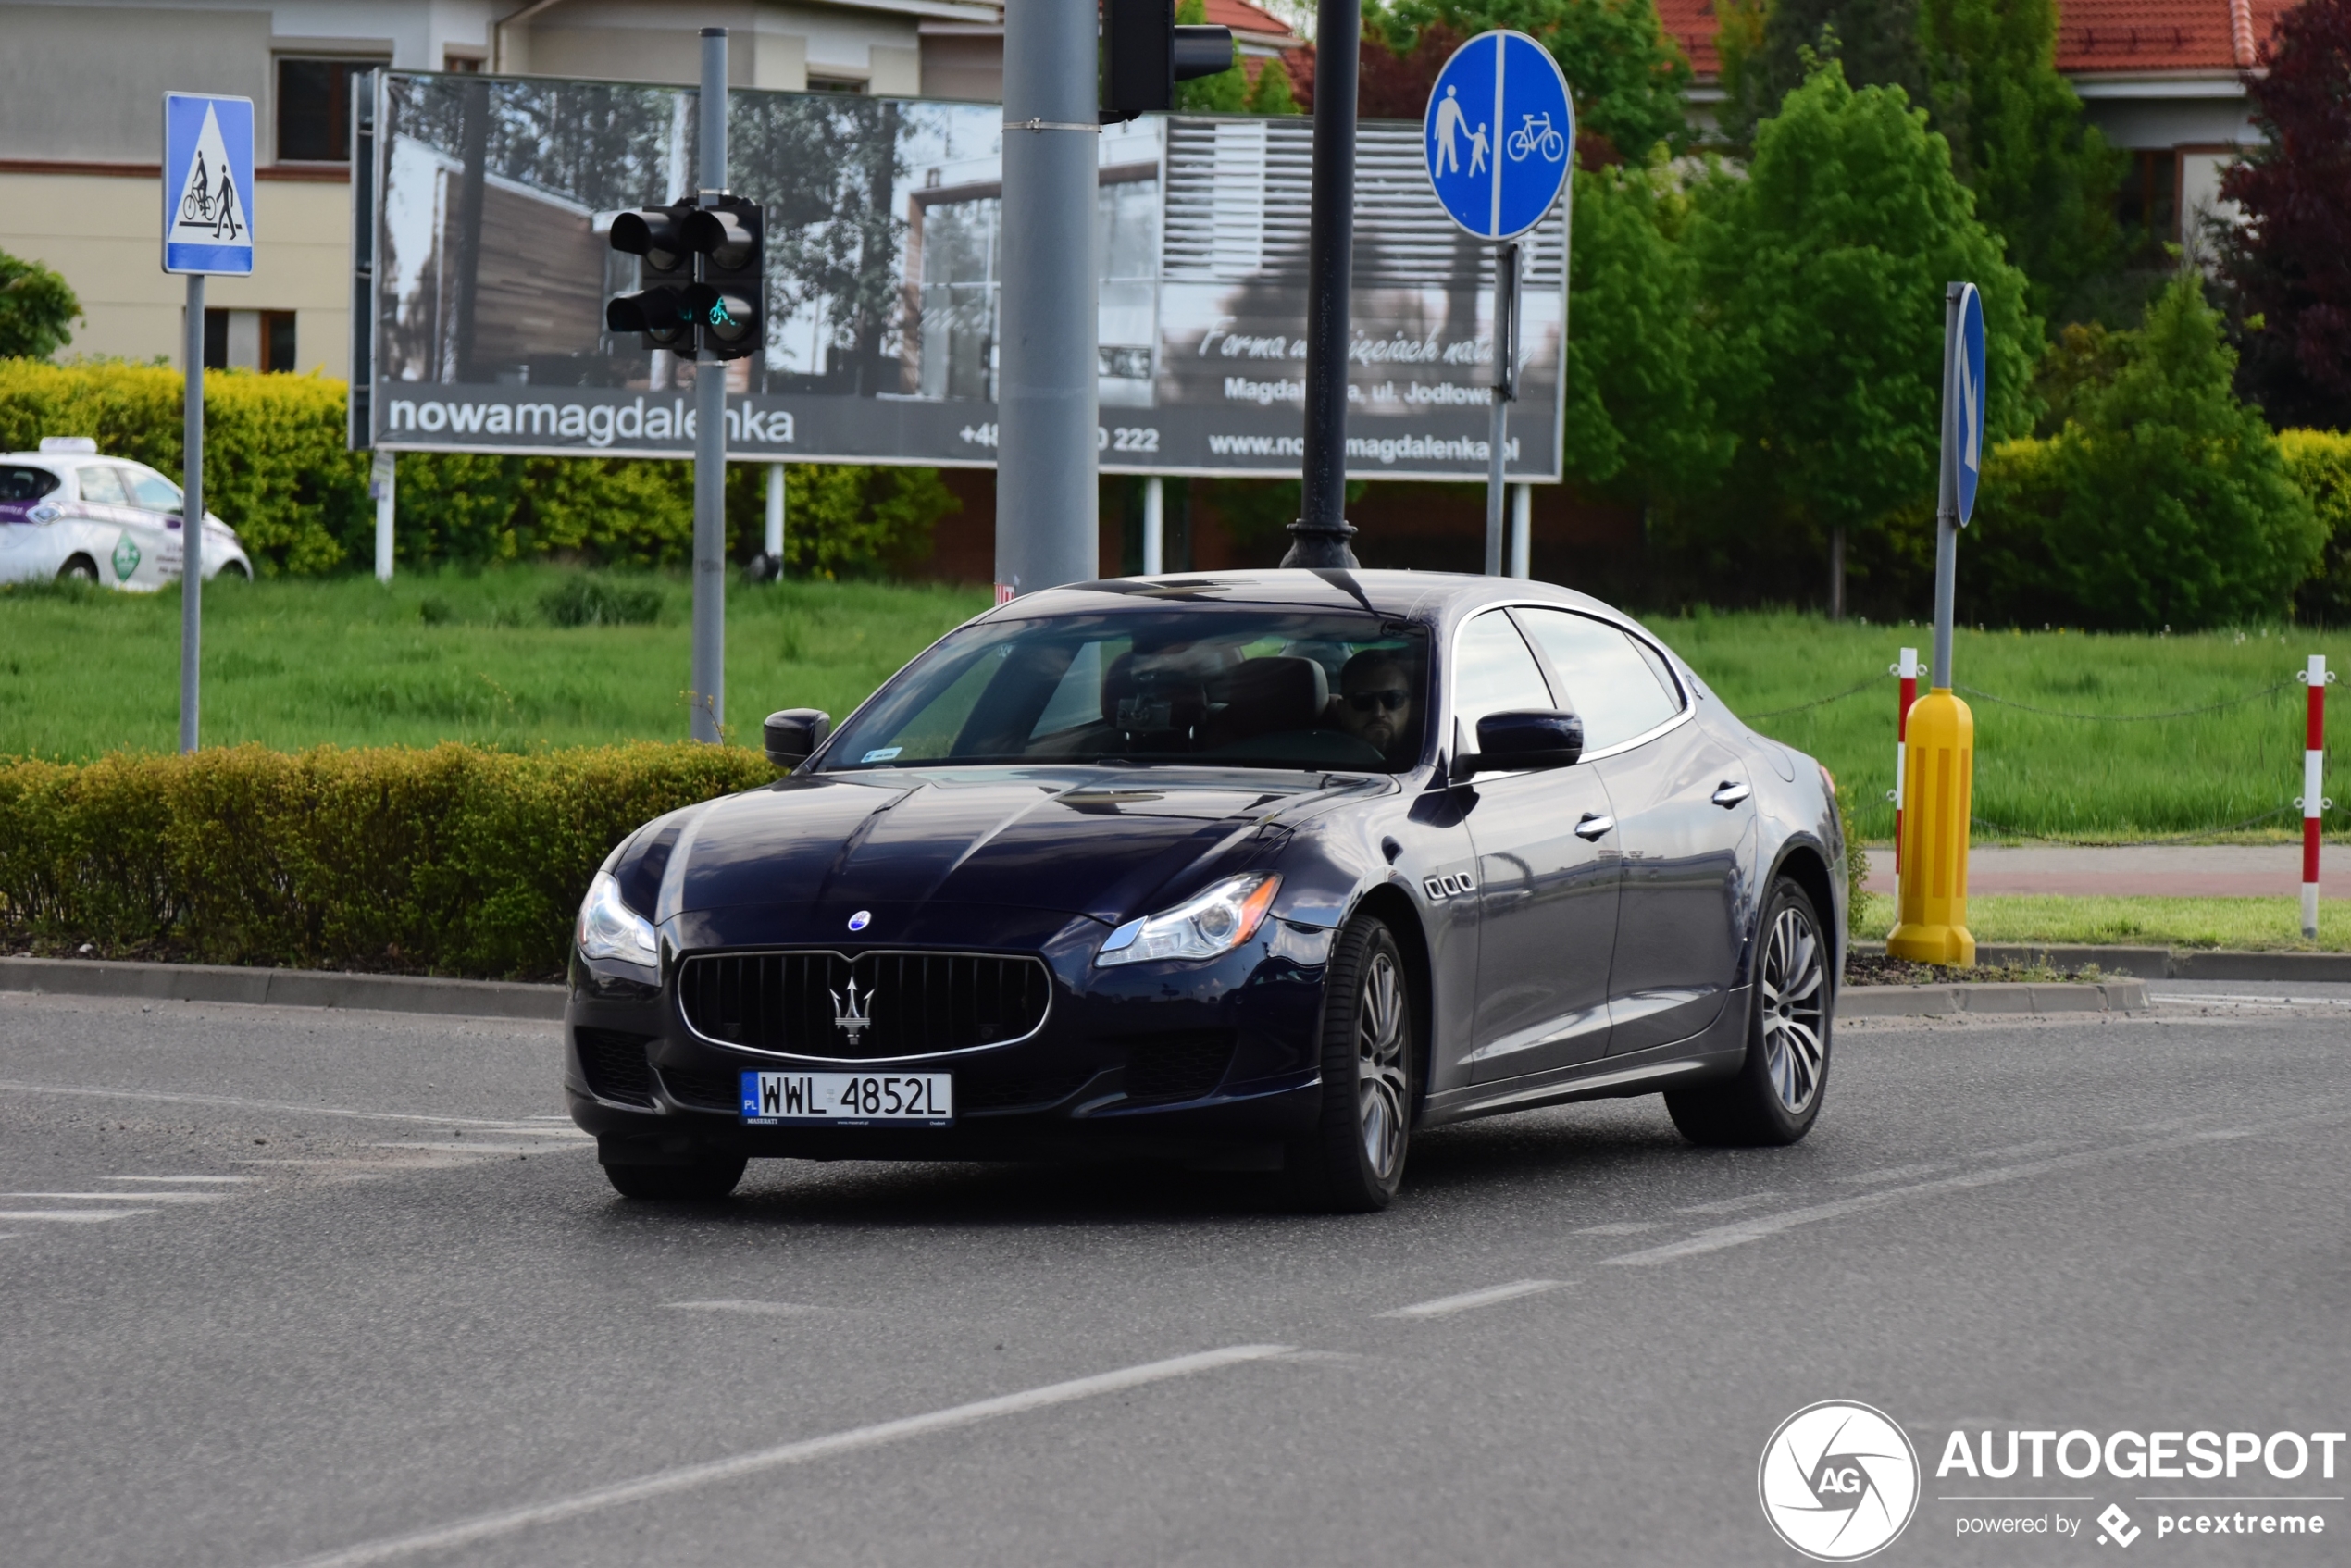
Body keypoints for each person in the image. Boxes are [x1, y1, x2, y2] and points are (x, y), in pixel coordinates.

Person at [1332, 648, 1420, 765]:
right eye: (1363, 700)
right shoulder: (1318, 759)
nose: (1378, 712)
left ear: (1410, 707)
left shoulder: (1431, 758)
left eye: (1393, 698)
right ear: (1341, 709)